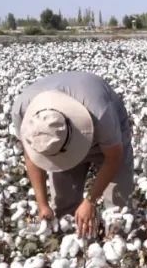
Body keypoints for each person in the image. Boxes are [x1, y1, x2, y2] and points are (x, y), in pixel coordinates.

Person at [11, 71, 134, 238]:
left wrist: (90, 200)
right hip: (62, 136)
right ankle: (78, 241)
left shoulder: (100, 111)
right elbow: (31, 157)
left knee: (118, 204)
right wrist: (42, 205)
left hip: (104, 129)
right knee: (63, 204)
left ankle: (117, 241)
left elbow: (113, 158)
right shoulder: (22, 110)